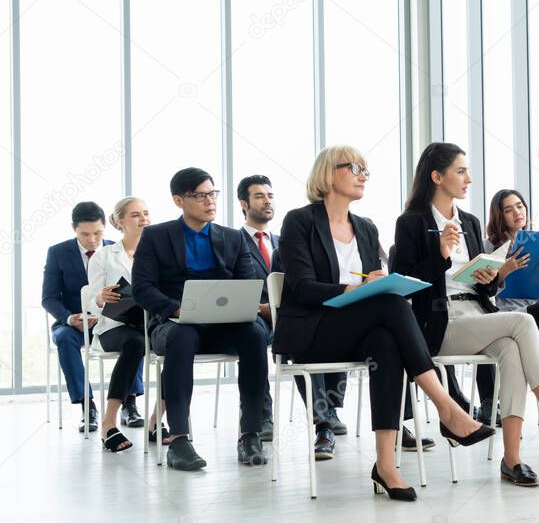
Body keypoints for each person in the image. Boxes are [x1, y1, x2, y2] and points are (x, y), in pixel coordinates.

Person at [273, 145, 492, 499]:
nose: (362, 176)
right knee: (389, 305)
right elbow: (300, 286)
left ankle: (385, 467)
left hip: (355, 329)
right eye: (354, 168)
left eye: (365, 171)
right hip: (313, 331)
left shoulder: (365, 227)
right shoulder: (300, 221)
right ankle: (447, 407)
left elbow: (374, 284)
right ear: (328, 174)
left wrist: (378, 280)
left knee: (386, 344)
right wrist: (358, 286)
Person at [393, 142, 539, 488]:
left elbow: (488, 289)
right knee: (523, 322)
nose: (468, 178)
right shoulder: (411, 223)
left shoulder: (469, 221)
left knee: (512, 349)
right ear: (437, 176)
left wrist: (491, 277)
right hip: (438, 321)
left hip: (476, 311)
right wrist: (441, 254)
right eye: (460, 171)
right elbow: (403, 283)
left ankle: (512, 460)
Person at [133, 168, 270, 471]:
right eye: (200, 196)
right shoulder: (156, 236)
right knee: (182, 337)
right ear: (178, 200)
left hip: (224, 325)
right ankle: (179, 440)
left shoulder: (233, 238)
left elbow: (248, 284)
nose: (210, 201)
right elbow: (142, 289)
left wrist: (239, 308)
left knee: (255, 335)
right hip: (175, 323)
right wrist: (177, 310)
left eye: (212, 194)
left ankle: (250, 435)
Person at [482, 189, 539, 408]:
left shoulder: (537, 242)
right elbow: (483, 291)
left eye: (520, 206)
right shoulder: (488, 247)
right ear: (499, 216)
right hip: (509, 314)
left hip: (536, 311)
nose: (517, 213)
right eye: (508, 210)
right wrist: (505, 270)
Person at [86, 198, 153, 451]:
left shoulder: (157, 253)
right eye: (136, 215)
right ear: (119, 221)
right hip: (113, 327)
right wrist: (101, 298)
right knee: (136, 342)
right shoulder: (104, 256)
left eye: (146, 214)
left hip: (148, 322)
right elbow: (92, 299)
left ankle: (158, 422)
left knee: (176, 339)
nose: (143, 219)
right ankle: (109, 422)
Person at [42, 202, 113, 433]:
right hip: (73, 323)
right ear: (74, 229)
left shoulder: (116, 250)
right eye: (85, 234)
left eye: (98, 233)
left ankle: (130, 403)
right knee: (63, 338)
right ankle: (87, 406)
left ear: (105, 227)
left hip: (111, 320)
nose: (92, 240)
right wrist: (69, 318)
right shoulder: (58, 252)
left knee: (137, 335)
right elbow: (49, 298)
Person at [236, 174, 280, 441]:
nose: (267, 201)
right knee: (252, 335)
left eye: (270, 195)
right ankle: (262, 414)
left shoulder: (285, 241)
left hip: (287, 314)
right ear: (244, 203)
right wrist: (260, 307)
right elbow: (229, 286)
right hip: (257, 316)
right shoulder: (232, 241)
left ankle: (326, 414)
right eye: (259, 196)